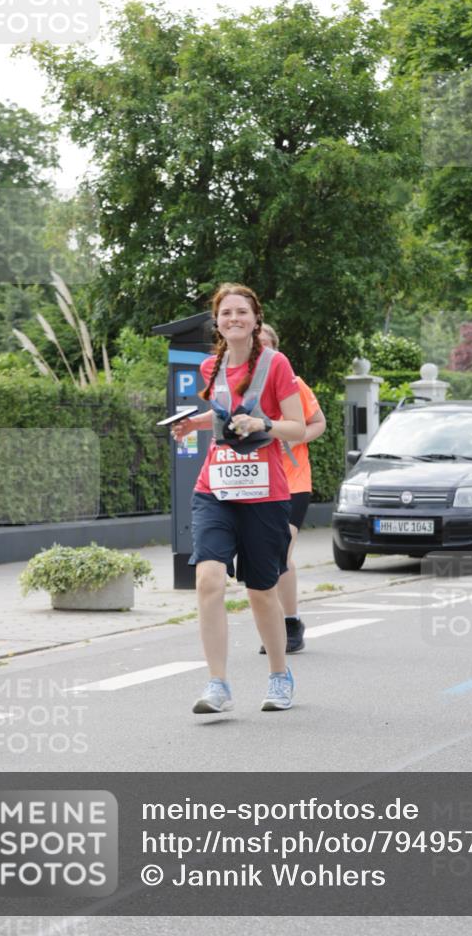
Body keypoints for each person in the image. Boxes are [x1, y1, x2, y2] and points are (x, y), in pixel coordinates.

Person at [171, 284, 305, 713]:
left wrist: (262, 422)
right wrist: (195, 425)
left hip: (265, 492)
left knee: (261, 590)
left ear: (255, 318)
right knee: (208, 580)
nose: (233, 319)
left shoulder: (276, 363)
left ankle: (280, 675)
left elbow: (298, 428)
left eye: (241, 312)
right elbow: (224, 414)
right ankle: (218, 684)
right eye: (226, 312)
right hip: (216, 487)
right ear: (218, 321)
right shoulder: (211, 366)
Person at [257, 323, 326, 654]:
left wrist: (294, 436)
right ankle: (272, 624)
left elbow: (318, 423)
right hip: (257, 479)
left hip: (292, 480)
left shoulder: (294, 384)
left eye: (267, 347)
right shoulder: (240, 387)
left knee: (281, 549)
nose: (262, 353)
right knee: (260, 555)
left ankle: (291, 623)